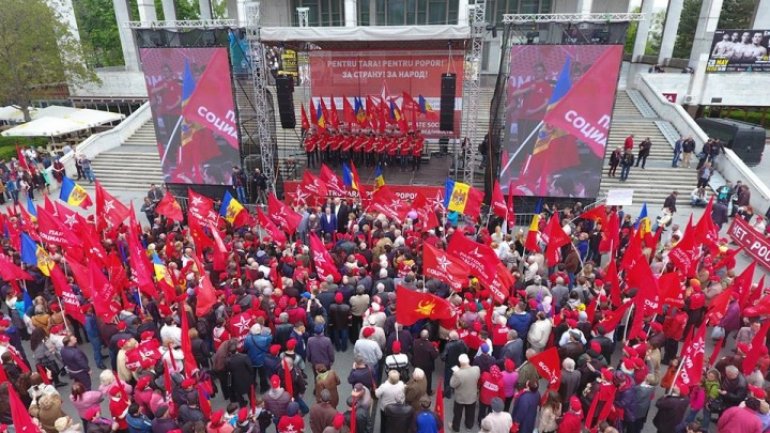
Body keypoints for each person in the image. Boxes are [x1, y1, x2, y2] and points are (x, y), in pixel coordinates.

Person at [449, 353, 480, 431]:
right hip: (472, 396)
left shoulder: (458, 373)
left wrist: (455, 372)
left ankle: (455, 427)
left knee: (457, 413)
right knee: (470, 413)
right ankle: (469, 426)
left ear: (460, 362)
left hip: (460, 397)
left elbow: (452, 384)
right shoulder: (476, 369)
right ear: (468, 360)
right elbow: (477, 377)